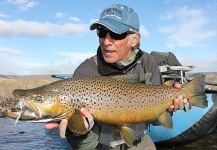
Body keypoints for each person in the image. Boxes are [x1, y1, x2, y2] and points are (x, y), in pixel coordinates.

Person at [45, 4, 188, 150]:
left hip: (140, 142)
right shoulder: (85, 71)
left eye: (116, 34)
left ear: (134, 40)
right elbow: (84, 147)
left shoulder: (148, 62)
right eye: (102, 32)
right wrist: (78, 132)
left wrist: (171, 107)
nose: (106, 42)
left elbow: (157, 120)